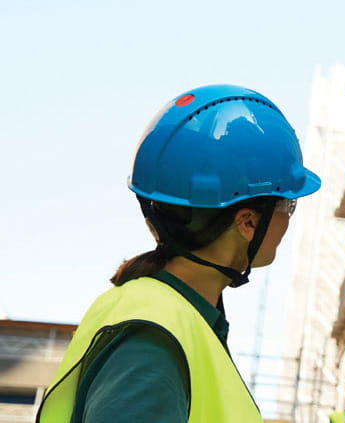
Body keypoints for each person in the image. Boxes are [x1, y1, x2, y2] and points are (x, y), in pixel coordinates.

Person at [35, 85, 321, 422]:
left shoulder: (173, 317)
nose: (289, 218)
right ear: (247, 222)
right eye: (288, 203)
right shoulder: (152, 339)